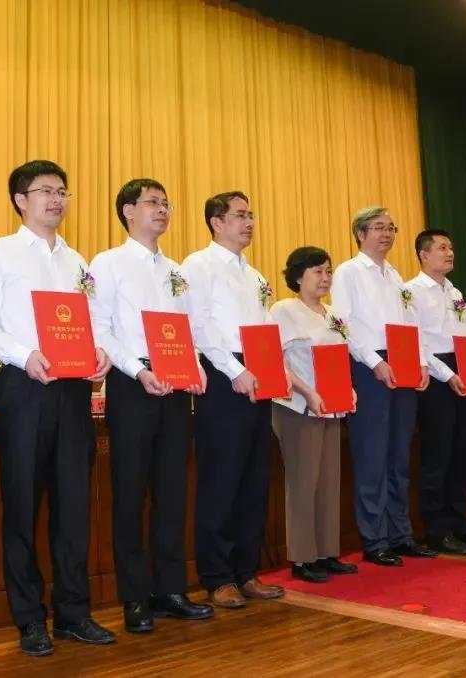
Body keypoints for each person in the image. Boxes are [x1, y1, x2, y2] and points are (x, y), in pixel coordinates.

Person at [0, 160, 114, 656]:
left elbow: (93, 321)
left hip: (73, 391)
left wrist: (101, 352)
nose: (56, 200)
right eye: (45, 191)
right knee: (22, 505)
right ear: (20, 200)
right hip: (24, 385)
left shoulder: (77, 262)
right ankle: (29, 618)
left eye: (62, 191)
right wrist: (23, 355)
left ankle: (74, 613)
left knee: (74, 505)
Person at [89, 178, 213, 632]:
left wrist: (195, 365)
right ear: (127, 210)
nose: (162, 209)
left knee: (172, 491)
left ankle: (170, 589)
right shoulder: (107, 263)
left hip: (177, 387)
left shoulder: (176, 271)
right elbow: (100, 328)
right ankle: (134, 598)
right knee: (130, 493)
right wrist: (136, 370)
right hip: (132, 384)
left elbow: (188, 328)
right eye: (152, 202)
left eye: (166, 203)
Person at [183, 191, 286, 608]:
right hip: (223, 376)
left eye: (251, 215)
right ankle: (217, 576)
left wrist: (273, 372)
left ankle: (247, 571)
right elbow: (200, 326)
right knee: (221, 479)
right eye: (240, 215)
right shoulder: (199, 265)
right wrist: (233, 369)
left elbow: (263, 328)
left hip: (258, 374)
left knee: (253, 478)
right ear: (216, 221)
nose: (249, 222)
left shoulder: (255, 276)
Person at [329, 207, 434, 567]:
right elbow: (344, 325)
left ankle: (401, 534)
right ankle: (375, 540)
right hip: (368, 366)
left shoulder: (395, 276)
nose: (387, 234)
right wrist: (375, 362)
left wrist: (420, 361)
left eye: (391, 227)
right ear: (360, 234)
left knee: (399, 456)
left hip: (402, 363)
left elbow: (410, 324)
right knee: (372, 456)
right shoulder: (348, 272)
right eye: (378, 227)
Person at [270, 246, 358, 583]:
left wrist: (349, 389)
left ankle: (326, 552)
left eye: (328, 271)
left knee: (328, 481)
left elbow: (339, 359)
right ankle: (302, 557)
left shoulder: (334, 315)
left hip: (331, 407)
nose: (325, 278)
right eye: (317, 271)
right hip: (297, 407)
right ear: (297, 277)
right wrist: (308, 391)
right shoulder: (284, 310)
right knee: (303, 482)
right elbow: (276, 361)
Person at [405, 230, 466, 554]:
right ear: (423, 254)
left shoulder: (454, 292)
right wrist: (447, 374)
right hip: (435, 376)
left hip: (462, 370)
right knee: (438, 455)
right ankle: (437, 529)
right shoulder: (411, 292)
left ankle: (461, 524)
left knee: (463, 453)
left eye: (451, 247)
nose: (450, 252)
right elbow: (416, 342)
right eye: (442, 247)